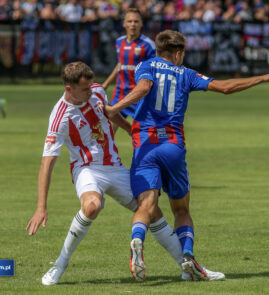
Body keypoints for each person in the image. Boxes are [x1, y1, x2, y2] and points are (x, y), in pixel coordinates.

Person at [105, 30, 269, 281]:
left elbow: (145, 87)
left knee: (146, 205)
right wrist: (264, 77)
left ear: (158, 50)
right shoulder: (186, 73)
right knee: (181, 209)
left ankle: (137, 241)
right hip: (172, 147)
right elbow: (225, 88)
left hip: (145, 145)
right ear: (178, 53)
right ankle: (188, 258)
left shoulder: (145, 66)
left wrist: (115, 108)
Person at [25, 61, 197, 285]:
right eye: (85, 89)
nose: (92, 90)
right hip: (86, 169)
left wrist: (129, 131)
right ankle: (59, 265)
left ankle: (188, 268)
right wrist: (41, 208)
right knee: (92, 206)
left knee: (151, 210)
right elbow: (46, 164)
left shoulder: (96, 91)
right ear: (69, 89)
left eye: (90, 86)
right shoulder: (59, 118)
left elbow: (110, 114)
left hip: (114, 166)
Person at [102, 8, 156, 133]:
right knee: (108, 133)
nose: (133, 24)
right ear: (124, 24)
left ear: (141, 24)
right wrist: (106, 83)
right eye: (130, 21)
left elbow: (154, 70)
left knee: (144, 133)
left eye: (136, 21)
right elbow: (120, 64)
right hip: (119, 94)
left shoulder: (148, 44)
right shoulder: (119, 42)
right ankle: (108, 153)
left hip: (138, 95)